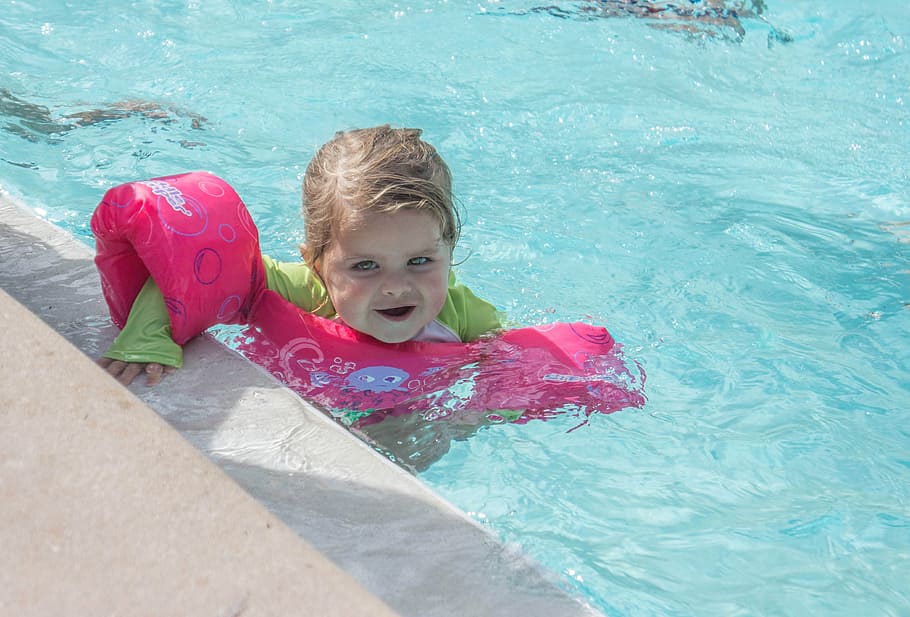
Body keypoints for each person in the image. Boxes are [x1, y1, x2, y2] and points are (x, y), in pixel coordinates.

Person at [97, 125, 504, 386]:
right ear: (316, 262)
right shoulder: (292, 291)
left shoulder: (466, 316)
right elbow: (188, 276)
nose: (397, 287)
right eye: (365, 266)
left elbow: (515, 363)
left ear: (449, 250)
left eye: (420, 261)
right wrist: (147, 341)